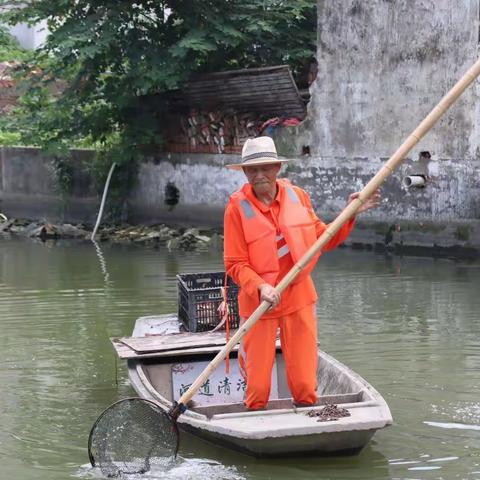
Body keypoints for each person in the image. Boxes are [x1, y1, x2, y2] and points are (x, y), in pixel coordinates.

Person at [223, 136, 381, 410]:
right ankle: (257, 425)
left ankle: (309, 423)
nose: (260, 175)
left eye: (266, 168)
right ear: (245, 173)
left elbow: (323, 239)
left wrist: (350, 213)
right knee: (258, 388)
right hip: (259, 302)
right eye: (253, 170)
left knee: (306, 385)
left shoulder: (298, 196)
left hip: (298, 298)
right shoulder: (236, 208)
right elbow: (235, 263)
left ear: (277, 168)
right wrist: (260, 287)